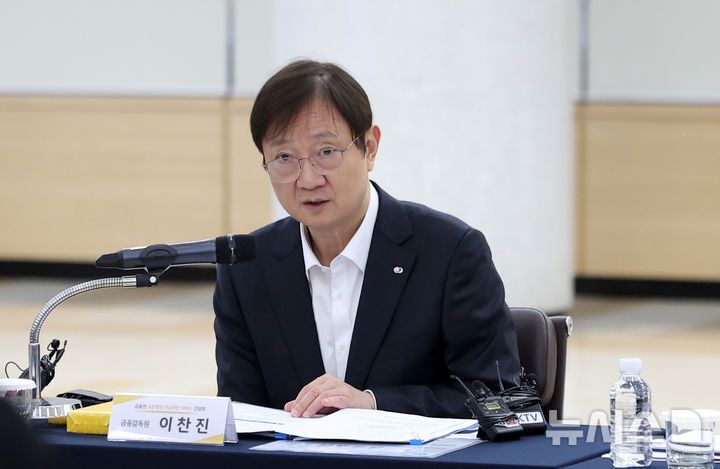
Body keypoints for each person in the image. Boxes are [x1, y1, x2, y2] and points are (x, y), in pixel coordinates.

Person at [214, 59, 520, 419]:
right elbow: (241, 416)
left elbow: (500, 397)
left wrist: (373, 404)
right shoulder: (247, 268)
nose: (308, 179)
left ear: (370, 147)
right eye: (283, 157)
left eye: (326, 152)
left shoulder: (450, 252)